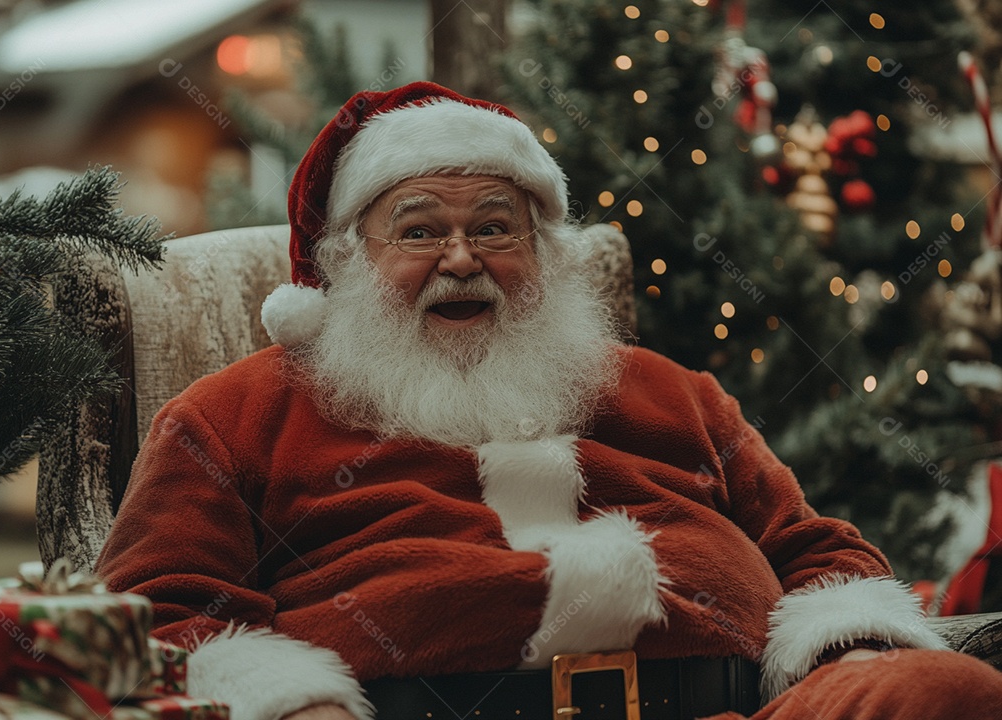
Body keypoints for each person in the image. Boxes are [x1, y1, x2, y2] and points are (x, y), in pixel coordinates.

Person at [96, 82, 1002, 720]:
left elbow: (817, 552)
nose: (461, 259)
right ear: (346, 259)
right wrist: (292, 706)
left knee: (945, 696)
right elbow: (156, 614)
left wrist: (847, 651)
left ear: (543, 251)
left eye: (496, 227)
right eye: (419, 230)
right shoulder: (234, 416)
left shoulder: (672, 395)